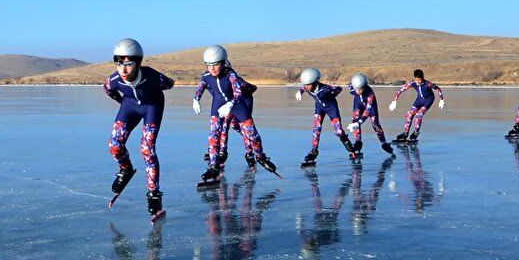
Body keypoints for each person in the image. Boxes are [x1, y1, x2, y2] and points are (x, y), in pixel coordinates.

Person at [104, 38, 175, 221]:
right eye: (119, 64)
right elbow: (108, 90)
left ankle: (154, 194)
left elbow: (169, 83)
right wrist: (122, 103)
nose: (123, 69)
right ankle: (125, 168)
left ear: (138, 63)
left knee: (147, 148)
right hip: (129, 107)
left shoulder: (152, 76)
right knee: (114, 144)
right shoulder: (114, 80)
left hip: (152, 106)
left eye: (128, 64)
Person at [192, 45, 278, 183]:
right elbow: (200, 87)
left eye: (215, 64)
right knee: (214, 136)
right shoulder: (206, 76)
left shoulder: (231, 75)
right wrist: (196, 99)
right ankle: (214, 166)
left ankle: (260, 157)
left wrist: (230, 104)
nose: (212, 68)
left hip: (237, 104)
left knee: (251, 134)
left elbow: (238, 93)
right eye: (209, 65)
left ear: (223, 62)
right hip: (218, 104)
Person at [295, 68, 356, 164]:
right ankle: (314, 151)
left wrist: (332, 94)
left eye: (308, 85)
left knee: (338, 131)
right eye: (305, 85)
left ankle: (348, 145)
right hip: (319, 108)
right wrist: (300, 92)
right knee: (316, 129)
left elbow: (339, 89)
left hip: (331, 108)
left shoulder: (325, 89)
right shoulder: (307, 88)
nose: (306, 87)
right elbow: (303, 88)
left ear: (315, 82)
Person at [388, 69, 445, 142]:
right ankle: (405, 134)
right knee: (409, 114)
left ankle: (415, 133)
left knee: (419, 115)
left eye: (419, 80)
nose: (417, 82)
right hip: (419, 100)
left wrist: (441, 100)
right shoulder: (412, 83)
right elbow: (400, 90)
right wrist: (394, 101)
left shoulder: (428, 84)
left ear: (422, 78)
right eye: (416, 80)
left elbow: (438, 89)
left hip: (428, 100)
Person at [346, 73, 395, 156]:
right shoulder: (351, 87)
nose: (358, 91)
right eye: (356, 89)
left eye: (360, 89)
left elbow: (367, 113)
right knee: (355, 118)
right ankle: (358, 142)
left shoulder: (370, 95)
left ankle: (384, 143)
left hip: (370, 106)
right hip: (358, 103)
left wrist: (358, 124)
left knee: (375, 123)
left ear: (365, 86)